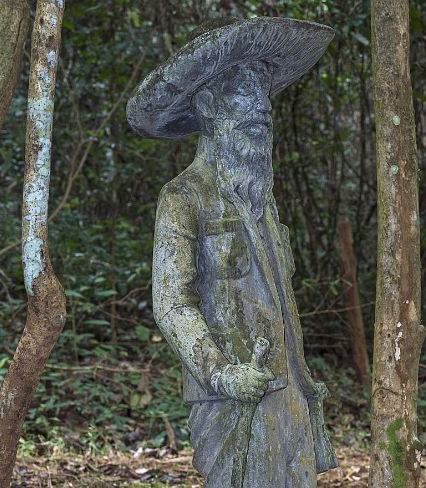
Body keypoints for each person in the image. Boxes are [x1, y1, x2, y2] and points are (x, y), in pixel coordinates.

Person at [127, 17, 336, 487]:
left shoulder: (263, 200)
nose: (260, 111)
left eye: (264, 102)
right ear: (208, 106)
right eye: (245, 101)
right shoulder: (184, 198)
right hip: (227, 397)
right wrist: (221, 373)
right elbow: (172, 302)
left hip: (290, 393)